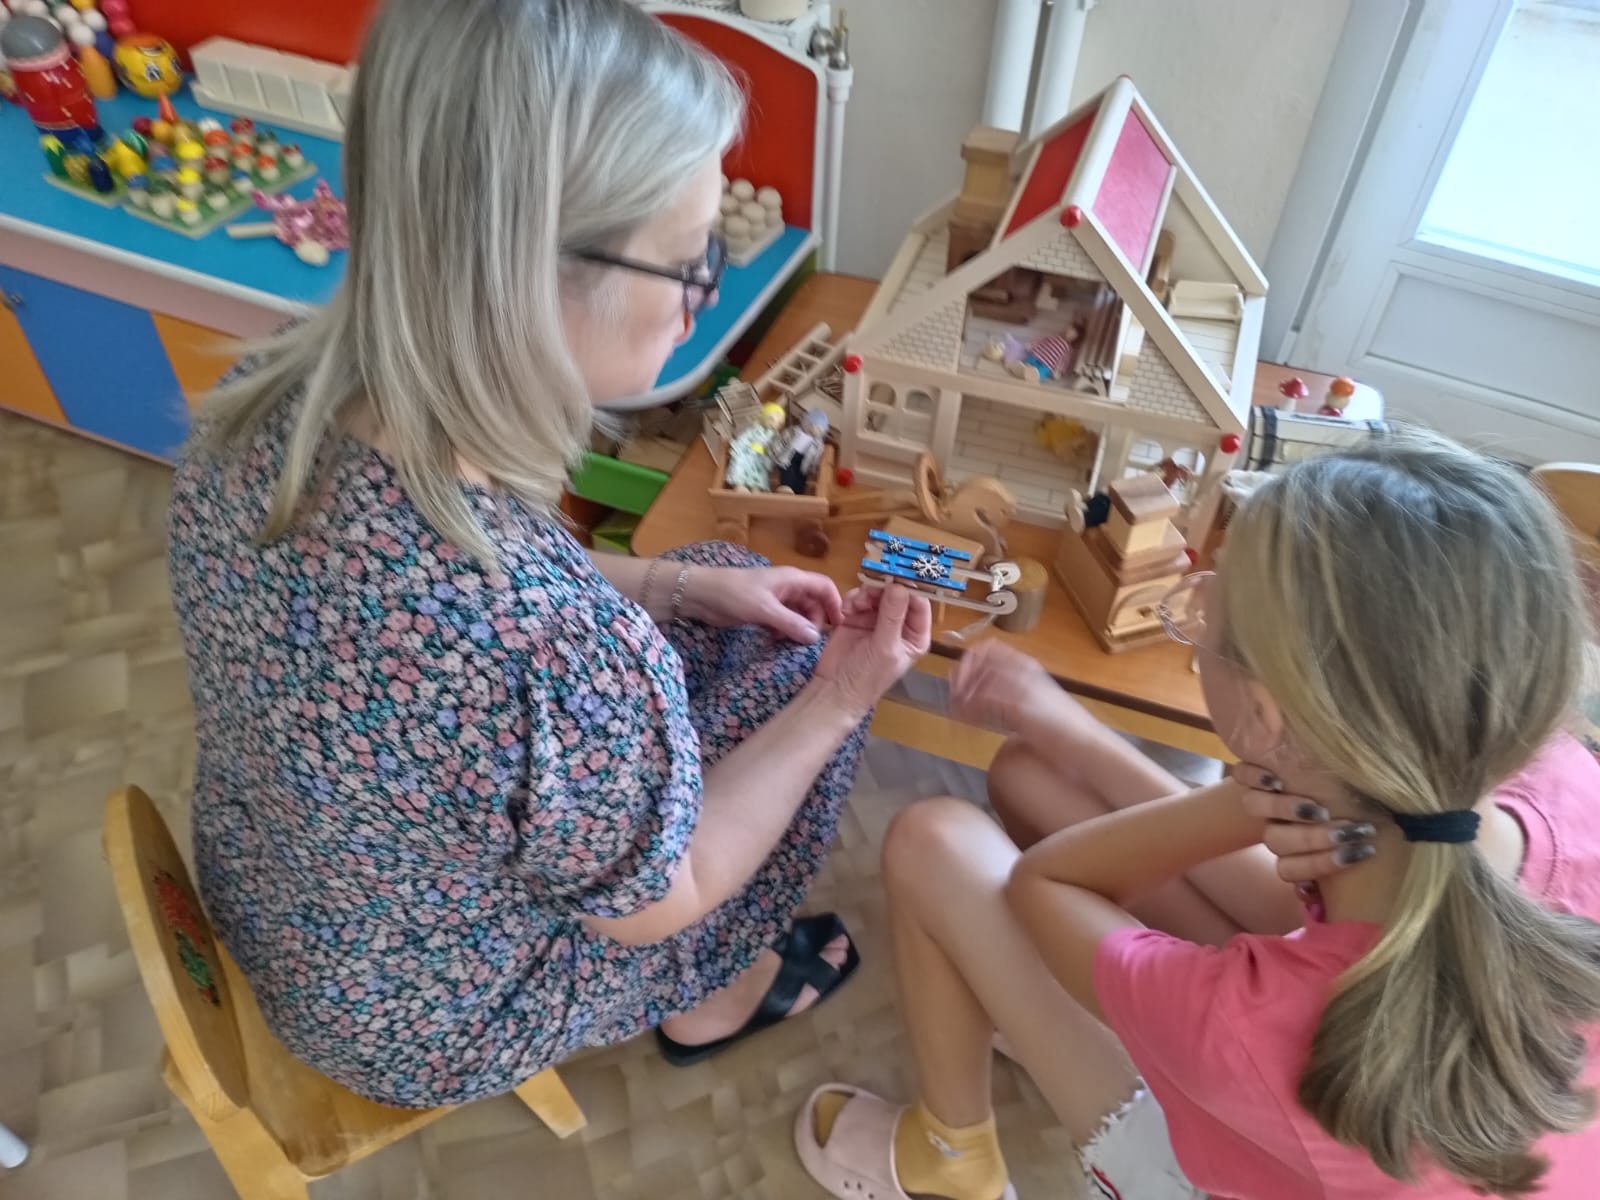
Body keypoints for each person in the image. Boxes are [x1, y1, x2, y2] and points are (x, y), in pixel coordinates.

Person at [166, 0, 933, 1108]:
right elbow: (674, 890)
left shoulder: (264, 404)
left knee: (719, 591)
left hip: (294, 897)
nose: (701, 296)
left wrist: (673, 583)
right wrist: (841, 697)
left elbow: (480, 601)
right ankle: (714, 994)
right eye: (692, 262)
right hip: (432, 1020)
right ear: (524, 273)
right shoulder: (542, 651)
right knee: (797, 680)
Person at [796, 432, 1600, 1198]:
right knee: (1034, 776)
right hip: (1363, 1077)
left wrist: (1235, 794)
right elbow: (1345, 909)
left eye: (1217, 599)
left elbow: (1046, 882)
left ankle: (950, 1160)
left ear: (1265, 718)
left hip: (1242, 1134)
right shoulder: (1544, 772)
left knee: (932, 840)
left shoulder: (1246, 1024)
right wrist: (1071, 730)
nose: (1201, 599)